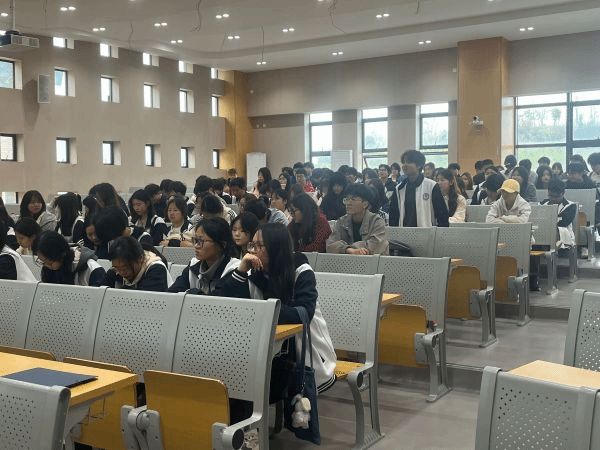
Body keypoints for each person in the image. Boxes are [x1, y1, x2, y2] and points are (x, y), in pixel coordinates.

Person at [218, 223, 337, 393]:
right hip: (262, 348)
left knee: (245, 382)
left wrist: (257, 311)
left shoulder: (300, 271)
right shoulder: (251, 270)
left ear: (276, 247)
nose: (253, 251)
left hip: (301, 350)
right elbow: (222, 304)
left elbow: (303, 314)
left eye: (259, 245)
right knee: (230, 374)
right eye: (252, 245)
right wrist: (241, 271)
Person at [168, 217, 240, 294]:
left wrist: (192, 293)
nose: (196, 246)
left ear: (222, 245)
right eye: (195, 240)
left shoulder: (234, 269)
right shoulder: (194, 265)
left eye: (201, 241)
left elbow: (218, 300)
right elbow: (170, 294)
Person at [389, 150, 449, 227]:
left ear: (419, 166)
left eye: (409, 162)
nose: (404, 165)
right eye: (403, 162)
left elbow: (442, 216)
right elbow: (393, 217)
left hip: (427, 232)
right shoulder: (399, 189)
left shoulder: (431, 186)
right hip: (403, 232)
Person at [327, 183, 389, 255]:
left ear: (365, 204)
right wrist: (348, 250)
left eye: (353, 199)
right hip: (347, 261)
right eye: (346, 199)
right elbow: (330, 245)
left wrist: (346, 248)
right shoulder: (341, 222)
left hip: (373, 261)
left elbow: (375, 246)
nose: (348, 203)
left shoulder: (376, 221)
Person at [32, 231, 106, 286]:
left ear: (61, 255)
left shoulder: (93, 270)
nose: (47, 265)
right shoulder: (48, 270)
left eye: (49, 262)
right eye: (43, 262)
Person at [102, 236, 169, 291]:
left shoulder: (156, 269)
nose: (121, 273)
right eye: (117, 268)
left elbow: (144, 298)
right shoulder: (117, 269)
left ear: (140, 259)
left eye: (125, 268)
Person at [540, 179, 576, 256]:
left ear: (563, 193)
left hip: (562, 234)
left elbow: (563, 223)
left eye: (556, 196)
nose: (553, 199)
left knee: (558, 229)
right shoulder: (542, 204)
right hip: (544, 232)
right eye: (551, 196)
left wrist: (547, 222)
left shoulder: (570, 206)